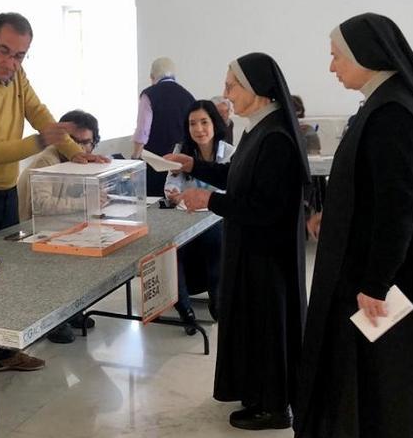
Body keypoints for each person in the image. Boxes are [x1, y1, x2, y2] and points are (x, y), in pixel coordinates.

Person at [296, 13, 413, 438]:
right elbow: (375, 187)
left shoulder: (393, 112)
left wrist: (375, 283)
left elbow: (398, 207)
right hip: (373, 263)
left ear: (365, 54)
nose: (332, 68)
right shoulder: (388, 101)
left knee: (384, 379)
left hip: (379, 276)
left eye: (336, 57)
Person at [0, 12, 106, 370]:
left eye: (20, 55)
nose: (11, 62)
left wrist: (78, 155)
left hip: (2, 194)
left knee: (4, 276)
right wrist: (39, 141)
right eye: (5, 51)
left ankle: (3, 353)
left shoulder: (16, 75)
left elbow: (39, 111)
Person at [166, 53, 310, 430]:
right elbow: (238, 175)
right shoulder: (261, 127)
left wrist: (209, 199)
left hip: (267, 254)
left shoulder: (276, 135)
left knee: (268, 327)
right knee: (254, 324)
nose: (225, 92)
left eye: (232, 85)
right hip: (253, 248)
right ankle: (259, 394)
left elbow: (268, 206)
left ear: (256, 89)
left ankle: (275, 406)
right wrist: (193, 166)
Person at [16, 109, 101, 343]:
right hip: (33, 228)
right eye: (75, 142)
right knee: (55, 273)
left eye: (88, 143)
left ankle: (71, 312)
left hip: (58, 226)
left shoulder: (80, 160)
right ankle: (55, 322)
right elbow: (42, 204)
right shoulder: (47, 159)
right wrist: (85, 202)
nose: (82, 149)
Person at [163, 100, 234, 333]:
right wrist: (174, 194)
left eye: (204, 122)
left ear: (215, 124)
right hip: (185, 219)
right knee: (170, 247)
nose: (199, 129)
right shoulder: (181, 152)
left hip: (215, 220)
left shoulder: (230, 153)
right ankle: (185, 310)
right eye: (193, 123)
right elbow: (170, 185)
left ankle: (219, 303)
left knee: (215, 239)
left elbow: (228, 191)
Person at [131, 57, 196, 196]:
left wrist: (135, 158)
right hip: (181, 162)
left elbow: (142, 132)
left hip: (155, 161)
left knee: (154, 203)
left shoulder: (149, 94)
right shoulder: (188, 96)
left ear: (152, 76)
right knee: (175, 199)